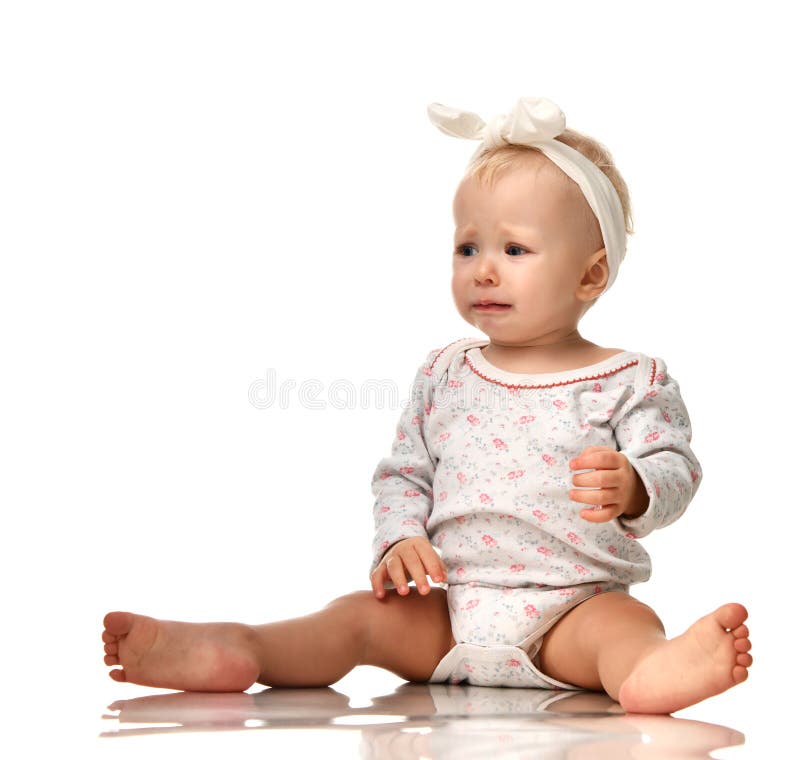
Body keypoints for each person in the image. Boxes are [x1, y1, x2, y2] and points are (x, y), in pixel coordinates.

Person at [102, 97, 752, 714]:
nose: (483, 269)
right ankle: (243, 647)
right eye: (468, 246)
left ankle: (648, 672)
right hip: (449, 612)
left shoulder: (631, 378)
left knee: (627, 626)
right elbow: (405, 472)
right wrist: (400, 540)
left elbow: (676, 465)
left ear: (589, 274)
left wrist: (637, 485)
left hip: (573, 610)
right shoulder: (446, 371)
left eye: (514, 249)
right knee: (354, 619)